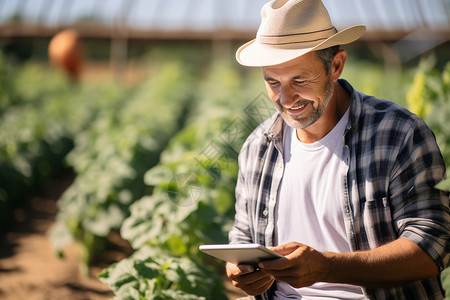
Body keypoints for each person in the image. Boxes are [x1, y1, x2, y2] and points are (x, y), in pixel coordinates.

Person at [226, 0, 450, 299]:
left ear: (336, 65)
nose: (285, 96)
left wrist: (328, 268)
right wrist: (238, 270)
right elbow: (242, 238)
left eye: (300, 80)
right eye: (272, 82)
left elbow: (432, 246)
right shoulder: (258, 146)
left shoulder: (398, 134)